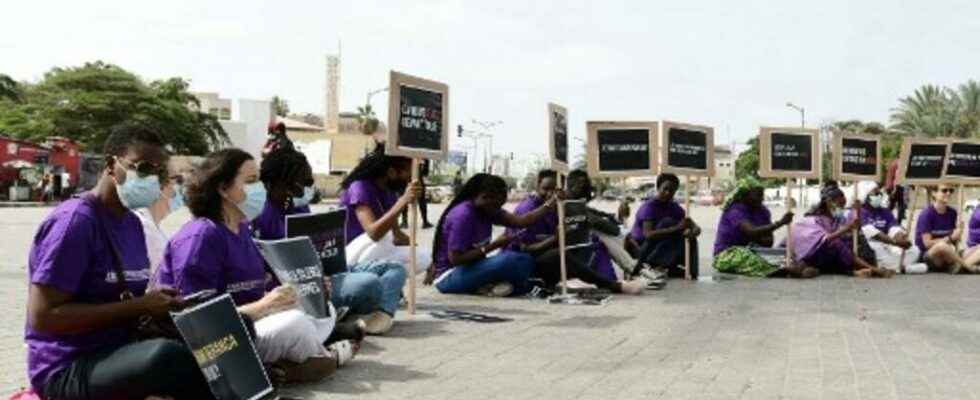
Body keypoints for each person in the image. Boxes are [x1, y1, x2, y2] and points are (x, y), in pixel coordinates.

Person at [25, 122, 212, 399]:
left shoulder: (132, 224)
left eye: (160, 173)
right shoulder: (75, 223)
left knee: (227, 327)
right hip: (68, 366)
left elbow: (122, 301)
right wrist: (139, 306)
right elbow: (43, 318)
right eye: (144, 168)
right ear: (112, 165)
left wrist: (161, 308)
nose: (153, 180)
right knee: (167, 358)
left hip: (120, 348)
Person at [156, 148, 357, 385]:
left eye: (258, 180)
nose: (259, 188)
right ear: (222, 189)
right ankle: (317, 359)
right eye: (250, 181)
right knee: (296, 324)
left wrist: (303, 291)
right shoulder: (201, 237)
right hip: (220, 339)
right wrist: (264, 306)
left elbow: (251, 290)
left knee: (323, 310)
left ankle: (294, 362)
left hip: (252, 322)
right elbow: (197, 320)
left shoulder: (242, 229)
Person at [253, 147, 405, 335]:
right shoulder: (262, 214)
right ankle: (355, 313)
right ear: (287, 180)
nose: (309, 187)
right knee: (369, 283)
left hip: (325, 272)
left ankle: (379, 315)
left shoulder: (298, 207)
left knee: (395, 269)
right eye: (306, 181)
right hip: (301, 284)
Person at [514, 170, 644, 294]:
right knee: (559, 254)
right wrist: (555, 239)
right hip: (527, 263)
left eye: (555, 190)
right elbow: (526, 250)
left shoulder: (559, 206)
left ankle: (620, 275)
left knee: (591, 243)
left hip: (551, 255)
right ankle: (614, 285)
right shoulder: (528, 209)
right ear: (537, 186)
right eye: (545, 189)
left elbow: (589, 214)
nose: (550, 194)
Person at [430, 173, 556, 296]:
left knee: (525, 260)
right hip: (450, 274)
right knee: (509, 260)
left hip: (473, 267)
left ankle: (492, 286)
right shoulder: (463, 215)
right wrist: (495, 245)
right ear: (485, 197)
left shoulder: (489, 209)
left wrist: (550, 203)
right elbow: (456, 259)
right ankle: (504, 286)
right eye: (497, 205)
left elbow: (522, 221)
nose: (498, 210)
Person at [340, 144, 431, 273]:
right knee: (386, 240)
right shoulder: (359, 187)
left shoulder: (389, 193)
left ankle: (386, 284)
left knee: (425, 256)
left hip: (375, 252)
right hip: (351, 256)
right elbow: (374, 233)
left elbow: (397, 236)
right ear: (391, 172)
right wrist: (403, 201)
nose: (409, 179)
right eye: (408, 174)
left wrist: (423, 257)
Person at [790, 184, 894, 278]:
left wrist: (856, 212)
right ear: (829, 203)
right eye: (840, 204)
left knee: (848, 241)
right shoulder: (812, 220)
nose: (842, 208)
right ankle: (874, 270)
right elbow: (824, 240)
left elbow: (853, 230)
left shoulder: (837, 219)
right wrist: (846, 228)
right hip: (807, 254)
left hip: (828, 256)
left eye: (843, 205)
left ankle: (853, 271)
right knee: (836, 243)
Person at [712, 177, 801, 277]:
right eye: (758, 195)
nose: (762, 199)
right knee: (744, 256)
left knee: (787, 254)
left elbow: (768, 242)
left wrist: (758, 236)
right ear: (745, 195)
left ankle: (793, 268)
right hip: (727, 254)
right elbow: (750, 231)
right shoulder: (734, 211)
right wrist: (779, 223)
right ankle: (784, 272)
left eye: (762, 195)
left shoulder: (763, 211)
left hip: (754, 250)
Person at [625, 173, 701, 279]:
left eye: (672, 191)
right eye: (665, 189)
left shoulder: (674, 207)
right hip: (642, 250)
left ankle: (691, 271)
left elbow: (691, 224)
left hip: (661, 250)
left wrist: (694, 231)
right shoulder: (649, 207)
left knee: (689, 237)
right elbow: (648, 235)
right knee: (668, 222)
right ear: (658, 188)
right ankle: (653, 265)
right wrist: (677, 228)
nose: (668, 193)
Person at [848, 181, 926, 274]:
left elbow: (893, 227)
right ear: (865, 196)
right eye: (875, 193)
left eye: (879, 192)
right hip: (872, 245)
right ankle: (903, 268)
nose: (879, 195)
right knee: (878, 251)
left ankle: (898, 267)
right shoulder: (859, 212)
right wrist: (895, 242)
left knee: (915, 250)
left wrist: (900, 237)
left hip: (889, 245)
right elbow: (872, 233)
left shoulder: (885, 211)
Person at [914, 184, 974, 273]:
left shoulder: (952, 213)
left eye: (951, 191)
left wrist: (959, 232)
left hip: (948, 253)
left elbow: (954, 241)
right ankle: (968, 267)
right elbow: (927, 244)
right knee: (942, 246)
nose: (948, 193)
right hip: (930, 255)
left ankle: (959, 265)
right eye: (944, 190)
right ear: (934, 193)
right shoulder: (926, 214)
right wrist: (951, 238)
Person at [136, 167, 184, 277]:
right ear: (161, 189)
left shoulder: (157, 226)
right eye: (172, 187)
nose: (176, 195)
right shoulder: (143, 226)